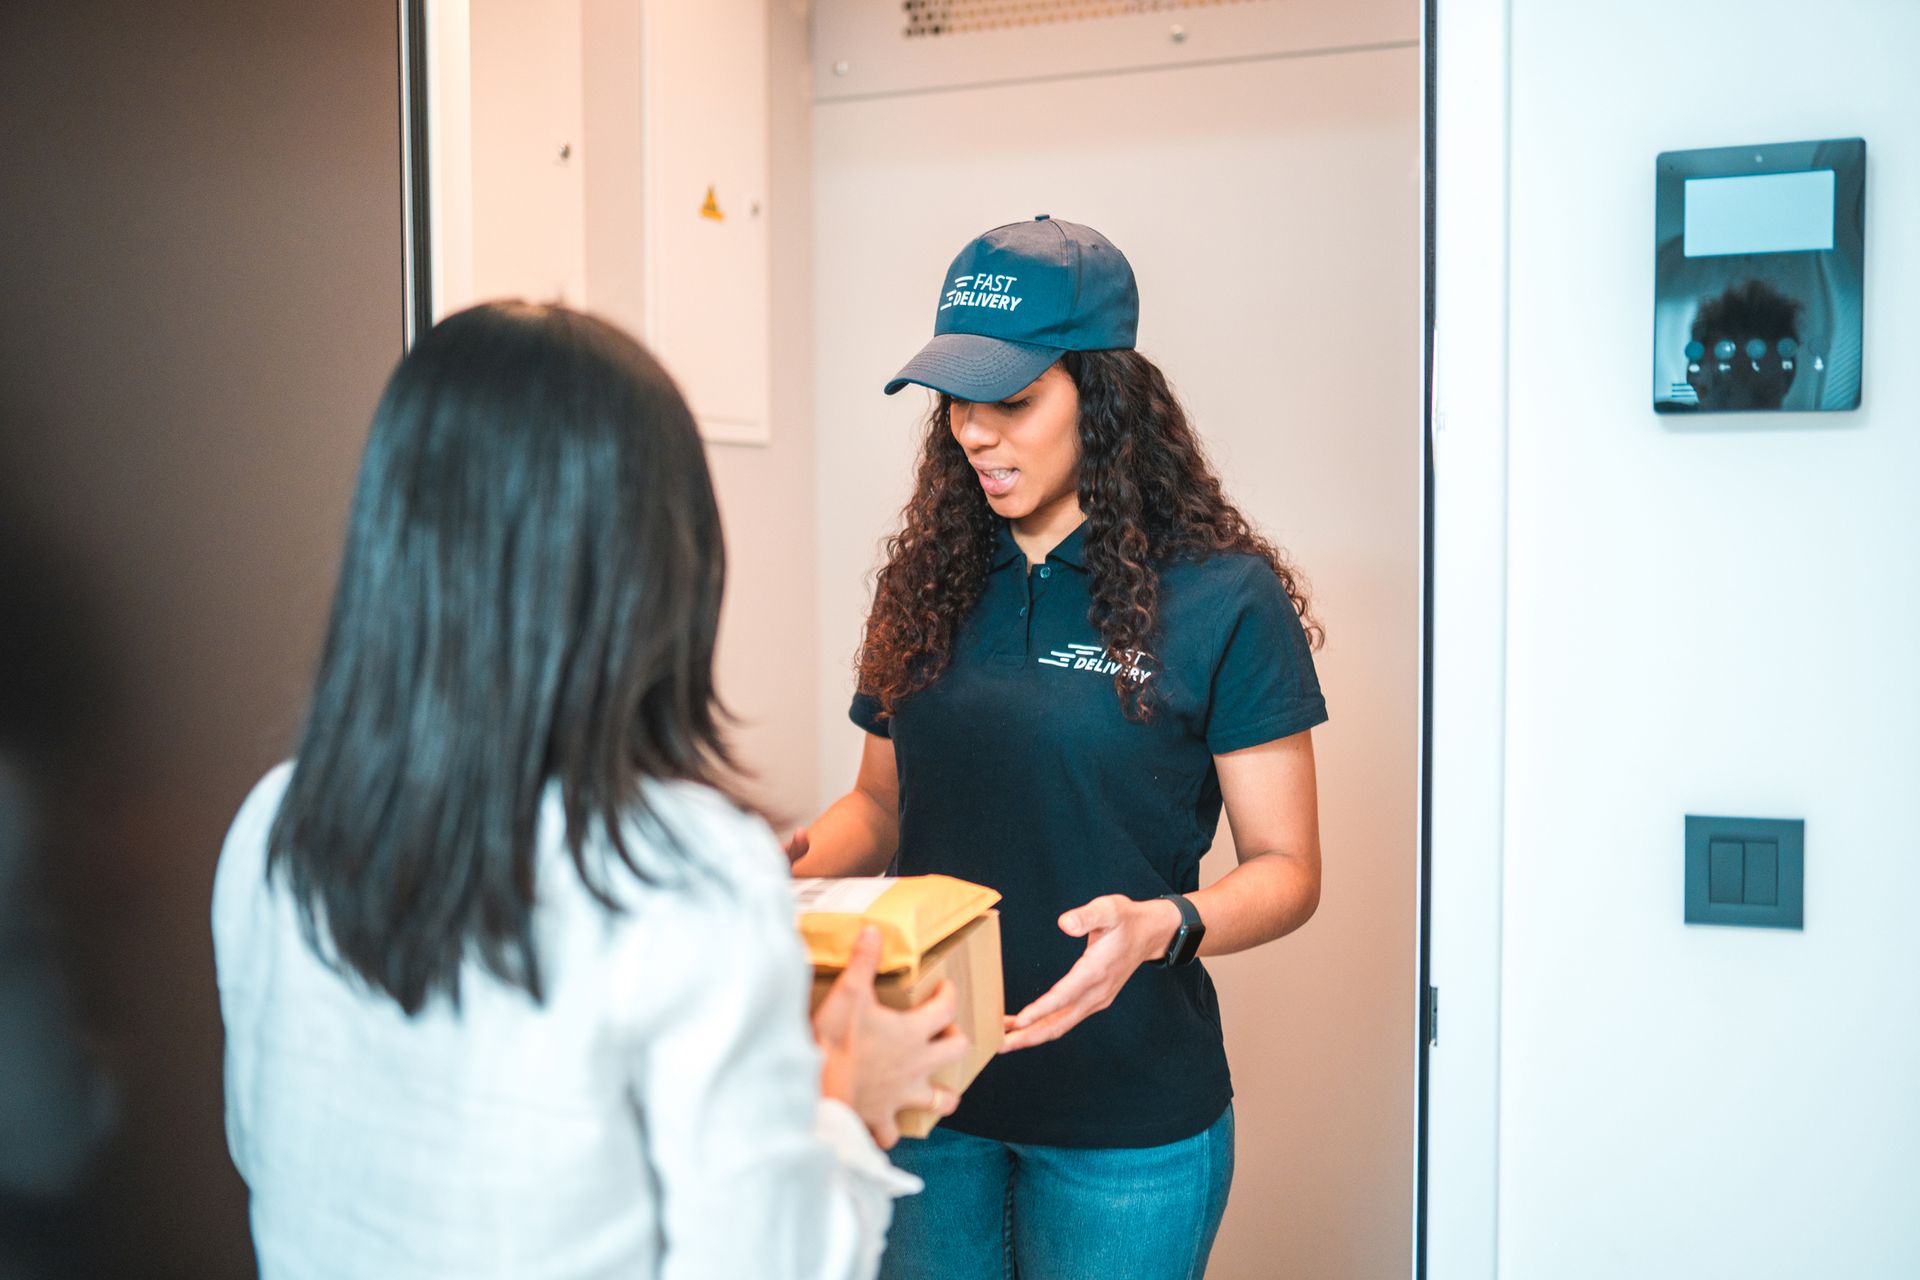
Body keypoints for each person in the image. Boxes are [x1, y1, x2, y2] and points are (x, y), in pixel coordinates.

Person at [212, 302, 967, 1279]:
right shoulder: (681, 868)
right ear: (660, 562)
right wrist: (840, 1094)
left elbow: (266, 1139)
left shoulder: (277, 822)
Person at [789, 217, 1328, 1279]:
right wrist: (768, 865)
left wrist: (1163, 925)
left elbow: (1288, 871)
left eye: (1014, 402)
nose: (975, 435)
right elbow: (881, 811)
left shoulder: (1222, 595)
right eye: (958, 405)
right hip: (923, 1085)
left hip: (1125, 1114)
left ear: (1105, 396)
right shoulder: (930, 577)